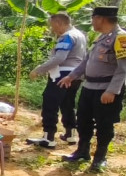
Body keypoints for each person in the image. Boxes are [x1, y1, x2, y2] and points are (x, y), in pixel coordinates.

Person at [59, 6, 126, 172]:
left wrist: (112, 90)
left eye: (93, 18)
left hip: (106, 89)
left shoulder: (121, 37)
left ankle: (100, 157)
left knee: (104, 124)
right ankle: (82, 151)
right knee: (83, 120)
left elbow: (123, 68)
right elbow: (86, 61)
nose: (92, 22)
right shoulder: (101, 37)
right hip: (89, 86)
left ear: (101, 19)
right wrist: (72, 76)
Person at [27, 13, 87, 148]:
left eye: (52, 25)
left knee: (50, 102)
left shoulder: (67, 36)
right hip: (76, 75)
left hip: (62, 74)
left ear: (59, 23)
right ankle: (70, 133)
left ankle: (48, 137)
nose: (52, 29)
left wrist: (39, 70)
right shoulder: (80, 35)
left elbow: (59, 58)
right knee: (68, 104)